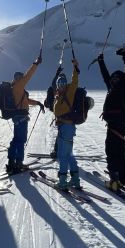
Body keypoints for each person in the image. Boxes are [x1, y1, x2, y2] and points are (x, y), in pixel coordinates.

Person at [98, 48, 125, 192]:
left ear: (121, 79)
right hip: (116, 124)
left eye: (116, 78)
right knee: (120, 153)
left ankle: (115, 180)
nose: (113, 79)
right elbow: (105, 76)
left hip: (117, 124)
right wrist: (101, 61)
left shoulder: (124, 87)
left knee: (112, 151)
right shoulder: (112, 88)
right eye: (113, 78)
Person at [6, 55, 44, 173]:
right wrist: (36, 64)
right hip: (21, 118)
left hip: (17, 117)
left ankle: (11, 161)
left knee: (16, 139)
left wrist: (37, 103)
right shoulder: (18, 86)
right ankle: (18, 163)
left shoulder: (15, 88)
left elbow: (25, 101)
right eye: (20, 77)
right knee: (21, 140)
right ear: (18, 78)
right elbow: (28, 75)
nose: (22, 79)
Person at [52, 58, 82, 190]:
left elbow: (74, 81)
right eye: (59, 83)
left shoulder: (69, 93)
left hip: (67, 128)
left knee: (62, 155)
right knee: (69, 155)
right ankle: (75, 180)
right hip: (64, 128)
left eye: (63, 83)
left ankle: (63, 181)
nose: (62, 85)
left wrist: (75, 67)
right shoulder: (58, 95)